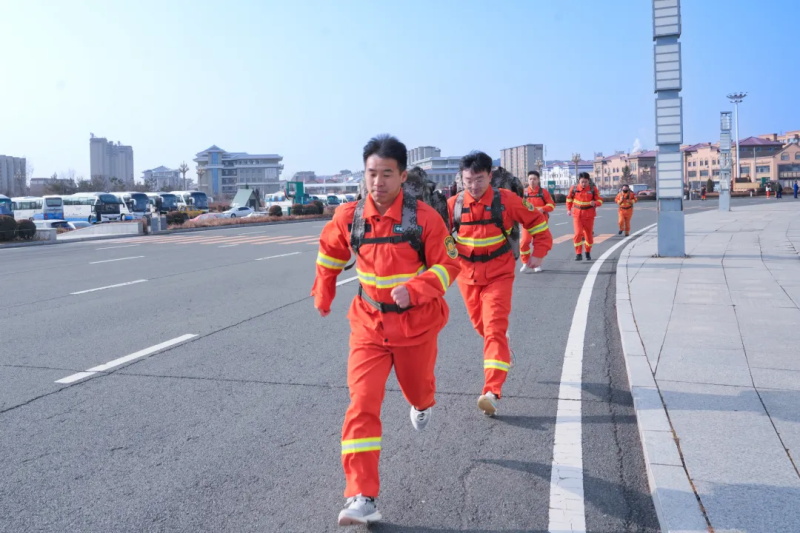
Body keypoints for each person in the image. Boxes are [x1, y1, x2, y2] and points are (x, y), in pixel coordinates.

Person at [311, 135, 460, 526]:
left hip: (416, 326)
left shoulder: (425, 218)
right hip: (369, 325)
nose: (377, 182)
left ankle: (423, 404)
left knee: (419, 391)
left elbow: (450, 265)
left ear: (403, 176)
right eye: (371, 173)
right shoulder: (350, 216)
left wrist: (417, 289)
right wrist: (324, 291)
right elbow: (329, 253)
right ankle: (361, 496)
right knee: (362, 404)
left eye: (387, 174)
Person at [448, 151, 552, 417]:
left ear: (490, 176)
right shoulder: (454, 205)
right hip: (466, 276)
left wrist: (540, 251)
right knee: (482, 327)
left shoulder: (507, 200)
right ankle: (504, 348)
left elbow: (537, 222)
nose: (473, 186)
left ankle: (491, 392)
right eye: (468, 181)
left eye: (479, 180)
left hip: (499, 274)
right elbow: (436, 236)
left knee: (494, 328)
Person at [519, 170, 555, 273]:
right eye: (530, 179)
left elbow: (552, 205)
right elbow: (518, 205)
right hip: (527, 223)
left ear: (538, 180)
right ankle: (525, 262)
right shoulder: (524, 193)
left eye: (534, 179)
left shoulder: (543, 192)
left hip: (541, 224)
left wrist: (543, 209)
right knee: (524, 242)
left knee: (538, 244)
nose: (532, 181)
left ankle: (537, 264)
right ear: (527, 180)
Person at [566, 172, 602, 261]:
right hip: (577, 214)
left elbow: (600, 200)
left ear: (588, 181)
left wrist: (595, 203)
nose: (584, 184)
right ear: (579, 181)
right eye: (582, 182)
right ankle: (578, 253)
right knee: (578, 234)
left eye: (585, 182)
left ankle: (587, 251)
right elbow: (569, 199)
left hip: (589, 215)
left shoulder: (593, 189)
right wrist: (568, 209)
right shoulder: (574, 188)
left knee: (588, 235)